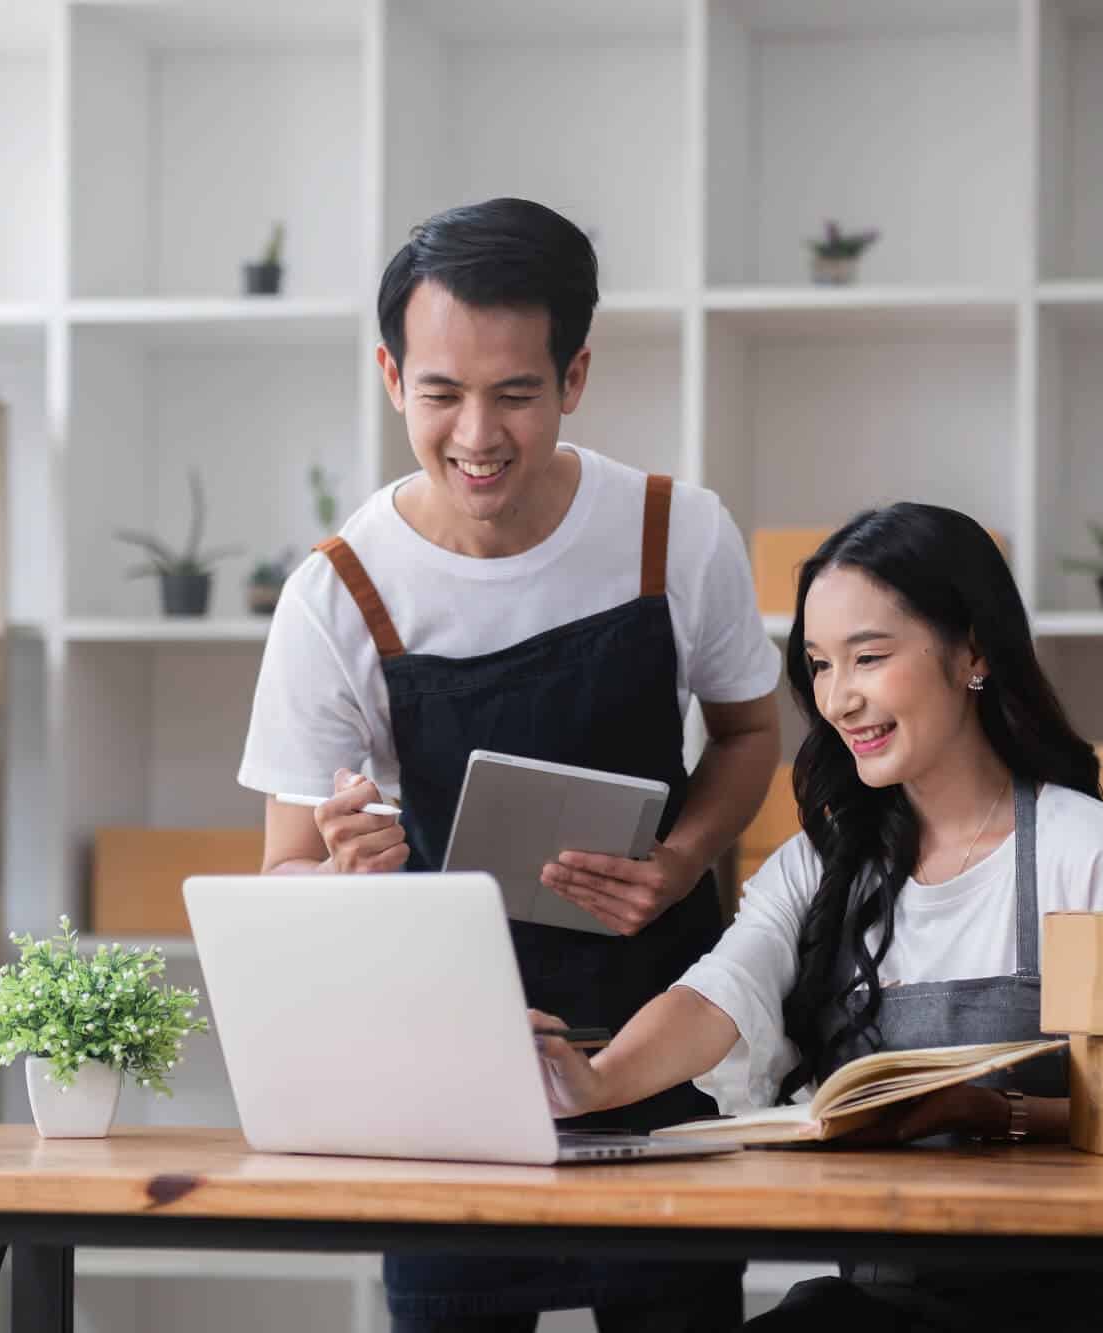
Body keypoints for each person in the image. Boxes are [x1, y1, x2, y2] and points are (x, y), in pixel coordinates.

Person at [237, 197, 783, 1331]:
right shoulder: (338, 593)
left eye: (514, 394)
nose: (475, 434)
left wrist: (680, 860)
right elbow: (283, 873)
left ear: (573, 377)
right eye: (439, 393)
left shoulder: (674, 534)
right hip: (449, 1081)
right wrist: (344, 883)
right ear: (391, 375)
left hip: (657, 1057)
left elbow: (747, 736)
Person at [534, 503, 1103, 1332]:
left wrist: (994, 1114)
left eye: (869, 657)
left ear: (973, 650)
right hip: (889, 1300)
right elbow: (724, 988)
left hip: (1075, 1303)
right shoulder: (826, 861)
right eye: (819, 665)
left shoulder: (1079, 848)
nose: (840, 699)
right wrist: (596, 1080)